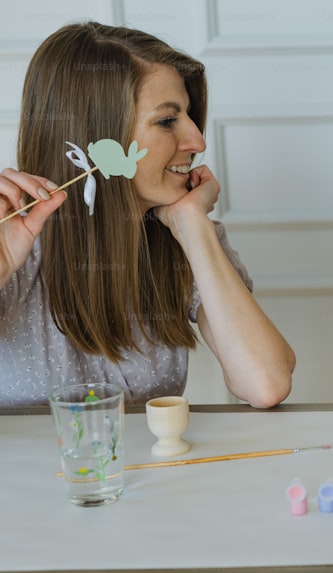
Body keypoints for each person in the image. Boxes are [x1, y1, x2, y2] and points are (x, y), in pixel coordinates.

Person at [0, 22, 295, 408]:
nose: (198, 141)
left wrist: (192, 224)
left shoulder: (186, 237)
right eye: (167, 121)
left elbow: (265, 384)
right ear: (98, 135)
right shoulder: (16, 243)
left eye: (188, 116)